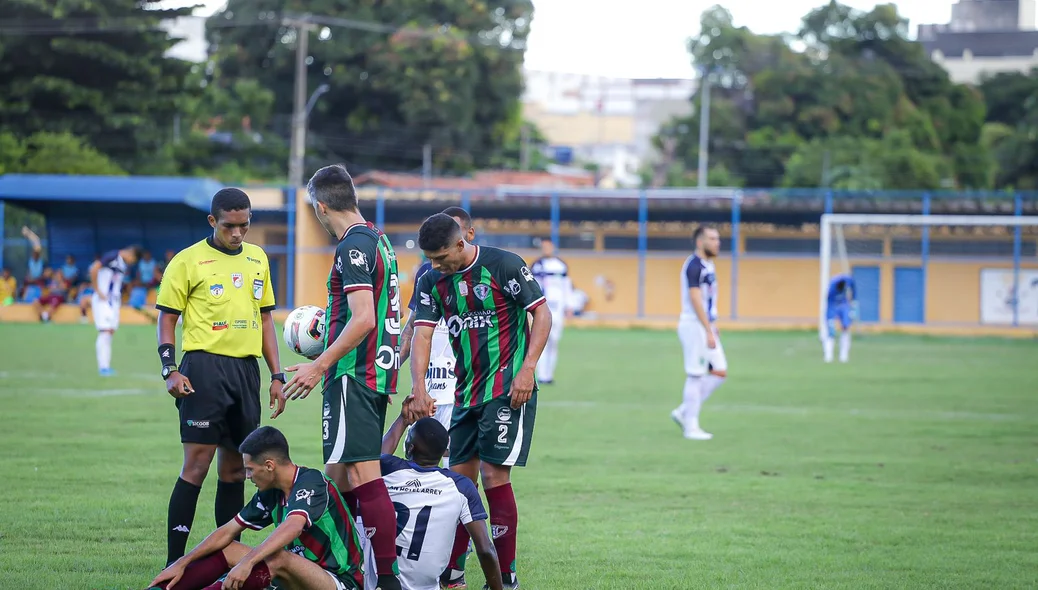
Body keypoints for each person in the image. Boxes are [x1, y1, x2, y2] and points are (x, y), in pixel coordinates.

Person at [408, 213, 552, 590]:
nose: (434, 265)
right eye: (429, 259)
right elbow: (422, 335)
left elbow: (542, 314)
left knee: (493, 475)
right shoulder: (430, 279)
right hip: (464, 392)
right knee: (457, 483)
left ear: (461, 243)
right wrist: (420, 388)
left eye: (440, 257)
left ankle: (505, 577)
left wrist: (529, 369)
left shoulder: (503, 265)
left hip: (507, 388)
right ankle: (453, 573)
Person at [280, 164, 403, 590]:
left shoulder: (352, 246)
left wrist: (320, 364)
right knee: (336, 471)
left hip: (354, 373)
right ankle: (329, 563)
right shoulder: (378, 241)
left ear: (320, 207)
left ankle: (385, 579)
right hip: (370, 371)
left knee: (363, 475)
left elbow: (365, 318)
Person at [155, 188, 287, 568]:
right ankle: (173, 564)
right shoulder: (188, 261)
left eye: (244, 226)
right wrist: (170, 368)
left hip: (245, 373)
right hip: (203, 370)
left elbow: (265, 320)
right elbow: (167, 318)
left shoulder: (258, 259)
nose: (238, 234)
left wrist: (275, 375)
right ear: (213, 221)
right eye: (230, 226)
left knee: (235, 470)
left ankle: (228, 560)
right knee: (196, 466)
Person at [146, 426, 365, 590]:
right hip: (300, 578)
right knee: (229, 548)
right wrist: (183, 562)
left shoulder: (312, 482)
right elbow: (228, 530)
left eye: (250, 470)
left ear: (269, 466)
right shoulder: (271, 491)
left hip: (341, 582)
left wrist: (248, 562)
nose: (247, 476)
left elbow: (293, 526)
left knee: (277, 558)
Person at [373, 409, 504, 590]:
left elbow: (372, 459)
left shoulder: (388, 468)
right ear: (444, 452)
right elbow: (485, 549)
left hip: (379, 583)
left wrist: (403, 420)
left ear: (410, 447)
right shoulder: (461, 486)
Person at [399, 206, 477, 467]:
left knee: (461, 463)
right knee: (420, 461)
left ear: (466, 236)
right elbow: (412, 327)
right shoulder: (428, 274)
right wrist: (390, 370)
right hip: (432, 383)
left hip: (466, 384)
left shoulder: (483, 272)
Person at [672, 224, 728, 441]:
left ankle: (684, 411)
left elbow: (708, 299)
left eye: (717, 238)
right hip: (694, 325)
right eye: (712, 239)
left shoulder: (708, 265)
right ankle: (691, 426)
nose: (717, 242)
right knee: (696, 375)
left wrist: (713, 324)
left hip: (705, 324)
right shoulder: (694, 266)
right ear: (700, 242)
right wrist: (707, 329)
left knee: (720, 372)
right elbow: (695, 298)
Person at [89, 246, 140, 376]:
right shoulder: (112, 256)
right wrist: (97, 290)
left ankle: (106, 366)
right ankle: (103, 367)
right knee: (105, 331)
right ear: (131, 255)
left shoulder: (123, 265)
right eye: (133, 260)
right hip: (103, 299)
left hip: (113, 301)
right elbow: (94, 269)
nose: (131, 263)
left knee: (110, 331)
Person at [529, 240, 573, 385]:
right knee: (541, 341)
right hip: (542, 308)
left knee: (554, 341)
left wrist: (569, 306)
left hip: (557, 308)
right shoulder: (536, 265)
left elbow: (567, 287)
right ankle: (541, 375)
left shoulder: (561, 265)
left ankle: (549, 374)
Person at [823, 274, 857, 363]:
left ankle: (844, 355)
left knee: (846, 328)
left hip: (844, 305)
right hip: (833, 305)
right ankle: (828, 355)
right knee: (831, 332)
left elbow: (854, 289)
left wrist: (854, 304)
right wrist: (830, 317)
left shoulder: (848, 280)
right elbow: (829, 303)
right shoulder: (831, 287)